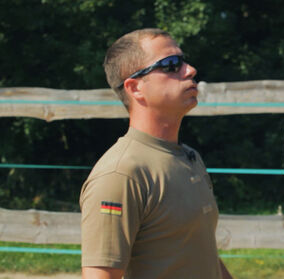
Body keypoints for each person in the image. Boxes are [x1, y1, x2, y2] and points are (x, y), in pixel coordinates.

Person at [79, 28, 232, 279]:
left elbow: (199, 254)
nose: (190, 70)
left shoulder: (189, 157)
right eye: (171, 65)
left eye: (184, 60)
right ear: (135, 88)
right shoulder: (120, 174)